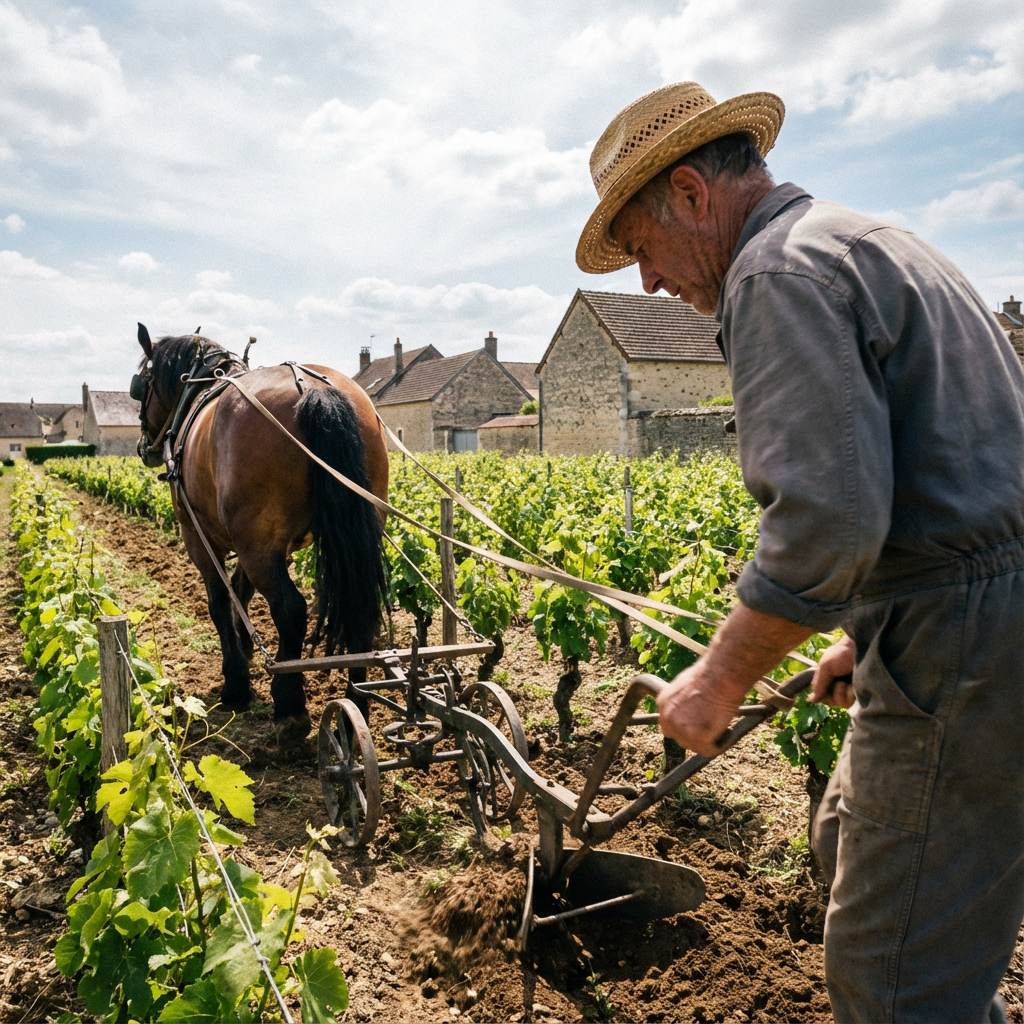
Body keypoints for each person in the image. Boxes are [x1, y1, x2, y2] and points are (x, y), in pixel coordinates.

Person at [575, 81, 1024, 1023]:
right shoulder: (871, 242)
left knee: (894, 986)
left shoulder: (774, 275)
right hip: (966, 617)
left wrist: (718, 678)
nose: (647, 282)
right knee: (841, 836)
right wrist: (864, 633)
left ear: (691, 193)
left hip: (968, 645)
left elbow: (823, 522)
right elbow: (959, 471)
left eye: (643, 248)